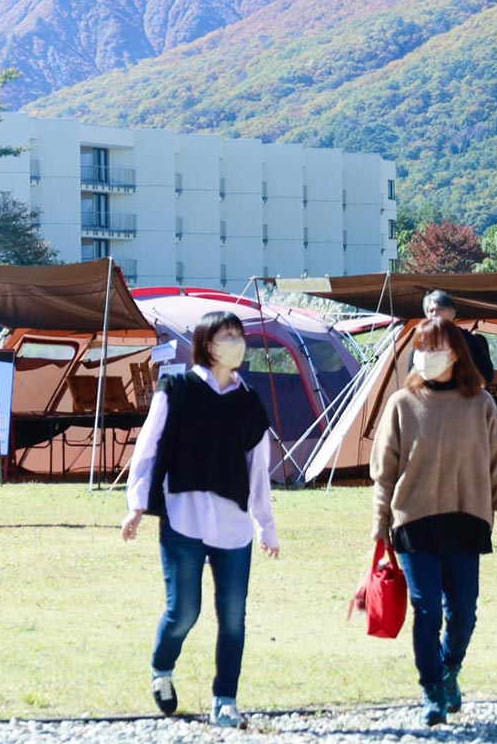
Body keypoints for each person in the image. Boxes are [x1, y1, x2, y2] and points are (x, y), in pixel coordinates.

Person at [121, 310, 279, 729]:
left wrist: (265, 525)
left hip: (233, 525)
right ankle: (162, 668)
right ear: (208, 344)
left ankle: (225, 699)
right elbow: (148, 448)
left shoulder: (248, 402)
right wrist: (137, 505)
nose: (237, 343)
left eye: (240, 336)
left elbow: (258, 470)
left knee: (233, 617)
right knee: (184, 611)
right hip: (183, 517)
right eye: (228, 336)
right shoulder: (177, 389)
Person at [372, 318, 497, 726]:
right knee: (426, 611)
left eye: (433, 348)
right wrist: (378, 529)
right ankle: (432, 689)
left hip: (466, 521)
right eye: (420, 348)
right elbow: (384, 474)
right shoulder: (401, 404)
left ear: (455, 354)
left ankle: (450, 669)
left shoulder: (481, 404)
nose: (424, 356)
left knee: (464, 613)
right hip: (413, 523)